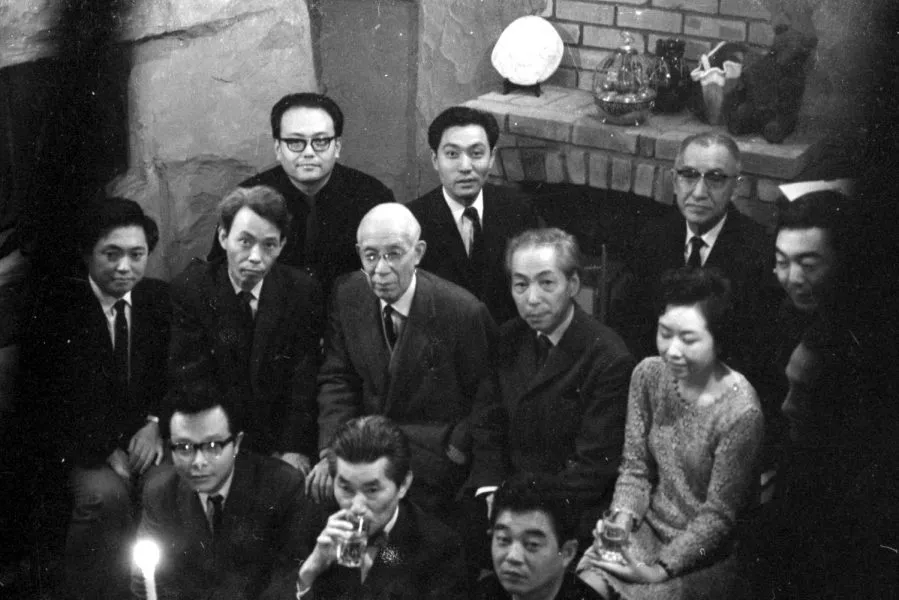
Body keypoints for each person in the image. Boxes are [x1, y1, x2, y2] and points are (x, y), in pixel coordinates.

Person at [577, 267, 764, 600]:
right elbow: (635, 468)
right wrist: (620, 522)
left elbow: (718, 517)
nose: (672, 350)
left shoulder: (741, 411)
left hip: (707, 553)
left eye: (688, 339)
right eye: (665, 333)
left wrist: (656, 570)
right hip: (646, 526)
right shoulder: (648, 375)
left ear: (718, 340)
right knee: (587, 582)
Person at [21, 197, 170, 599]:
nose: (125, 267)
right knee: (105, 497)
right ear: (87, 254)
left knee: (170, 485)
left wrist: (156, 426)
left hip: (148, 441)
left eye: (136, 255)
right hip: (80, 448)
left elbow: (178, 377)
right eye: (112, 254)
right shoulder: (55, 310)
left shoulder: (160, 302)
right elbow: (46, 401)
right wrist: (105, 449)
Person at [307, 203, 496, 516]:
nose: (381, 269)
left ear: (418, 252)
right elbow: (337, 378)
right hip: (363, 458)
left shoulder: (462, 311)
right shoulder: (347, 294)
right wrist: (332, 452)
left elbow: (486, 398)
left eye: (393, 254)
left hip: (434, 466)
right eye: (370, 255)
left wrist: (455, 451)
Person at [765, 190, 898, 598]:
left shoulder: (873, 337)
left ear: (844, 262)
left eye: (808, 263)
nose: (792, 278)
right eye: (782, 262)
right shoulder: (787, 313)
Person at [468, 229, 633, 550]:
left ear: (573, 285)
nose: (532, 298)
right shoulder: (509, 337)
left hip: (566, 508)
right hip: (502, 492)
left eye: (546, 283)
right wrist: (490, 490)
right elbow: (487, 424)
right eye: (521, 284)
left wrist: (516, 507)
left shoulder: (608, 357)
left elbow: (592, 468)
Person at [170, 185, 323, 473]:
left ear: (282, 245)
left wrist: (293, 449)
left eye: (269, 245)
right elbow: (192, 380)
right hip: (219, 441)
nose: (255, 256)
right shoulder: (193, 290)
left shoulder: (302, 292)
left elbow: (303, 382)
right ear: (223, 237)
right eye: (245, 241)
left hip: (280, 444)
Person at [133, 380, 310, 599]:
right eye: (184, 448)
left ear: (236, 443)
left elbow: (289, 579)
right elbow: (146, 581)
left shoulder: (282, 486)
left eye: (212, 446)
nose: (198, 462)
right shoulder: (161, 491)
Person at [207, 92, 395, 297]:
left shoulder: (373, 197)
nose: (308, 152)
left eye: (321, 141)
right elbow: (219, 274)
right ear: (278, 148)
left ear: (338, 146)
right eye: (295, 142)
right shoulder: (247, 198)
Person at [626, 133, 777, 361]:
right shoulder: (652, 237)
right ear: (675, 181)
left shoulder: (760, 251)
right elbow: (632, 328)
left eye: (715, 178)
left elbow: (756, 352)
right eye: (689, 175)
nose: (698, 193)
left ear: (736, 187)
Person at [296, 415, 468, 599]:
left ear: (403, 484)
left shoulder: (440, 548)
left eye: (372, 490)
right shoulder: (314, 527)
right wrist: (310, 570)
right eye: (346, 488)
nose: (357, 507)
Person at [407, 106, 539, 325]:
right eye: (452, 154)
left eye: (476, 153)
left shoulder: (518, 208)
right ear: (434, 160)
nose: (465, 167)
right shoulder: (412, 220)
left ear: (492, 157)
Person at [476, 474, 604, 600]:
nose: (513, 557)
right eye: (504, 539)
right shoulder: (481, 593)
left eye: (532, 544)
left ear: (567, 553)